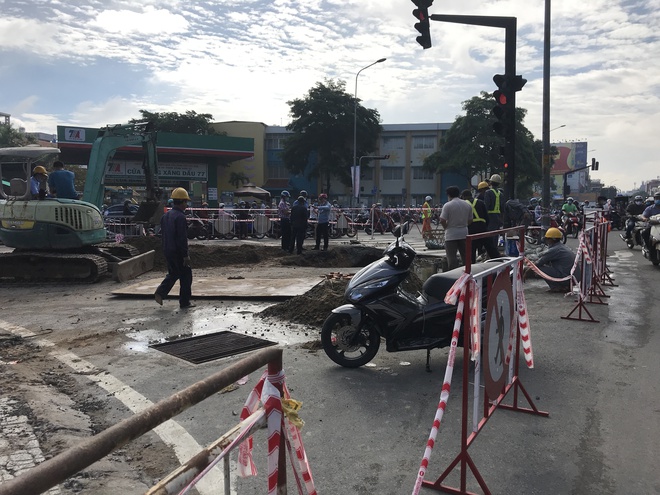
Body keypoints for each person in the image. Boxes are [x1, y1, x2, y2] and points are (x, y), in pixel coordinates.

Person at [154, 188, 195, 309]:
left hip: (167, 250)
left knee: (174, 273)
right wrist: (185, 255)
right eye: (185, 202)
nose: (186, 205)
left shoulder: (165, 216)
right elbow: (181, 238)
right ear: (182, 202)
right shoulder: (180, 217)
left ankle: (161, 292)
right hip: (178, 251)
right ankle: (184, 302)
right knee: (186, 275)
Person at [527, 227, 579, 293]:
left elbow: (539, 263)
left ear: (552, 240)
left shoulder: (554, 250)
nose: (546, 241)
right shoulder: (562, 247)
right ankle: (564, 286)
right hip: (573, 278)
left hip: (567, 278)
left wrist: (527, 271)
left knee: (539, 269)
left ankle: (556, 287)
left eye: (547, 239)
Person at [461, 188, 499, 263]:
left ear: (464, 196)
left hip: (471, 227)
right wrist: (485, 226)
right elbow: (487, 217)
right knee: (490, 247)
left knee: (471, 249)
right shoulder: (480, 202)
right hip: (482, 227)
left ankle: (471, 266)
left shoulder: (463, 204)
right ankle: (498, 261)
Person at [439, 186, 473, 270]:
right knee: (465, 257)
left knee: (452, 258)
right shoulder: (467, 205)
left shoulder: (447, 205)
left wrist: (446, 227)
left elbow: (442, 220)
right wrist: (464, 225)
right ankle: (468, 274)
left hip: (451, 234)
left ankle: (453, 277)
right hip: (464, 233)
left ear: (449, 195)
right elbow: (470, 220)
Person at [484, 174, 504, 251]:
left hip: (490, 215)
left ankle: (489, 251)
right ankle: (494, 250)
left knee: (489, 234)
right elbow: (502, 208)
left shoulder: (488, 192)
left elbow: (486, 205)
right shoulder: (501, 194)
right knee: (495, 234)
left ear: (491, 183)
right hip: (498, 216)